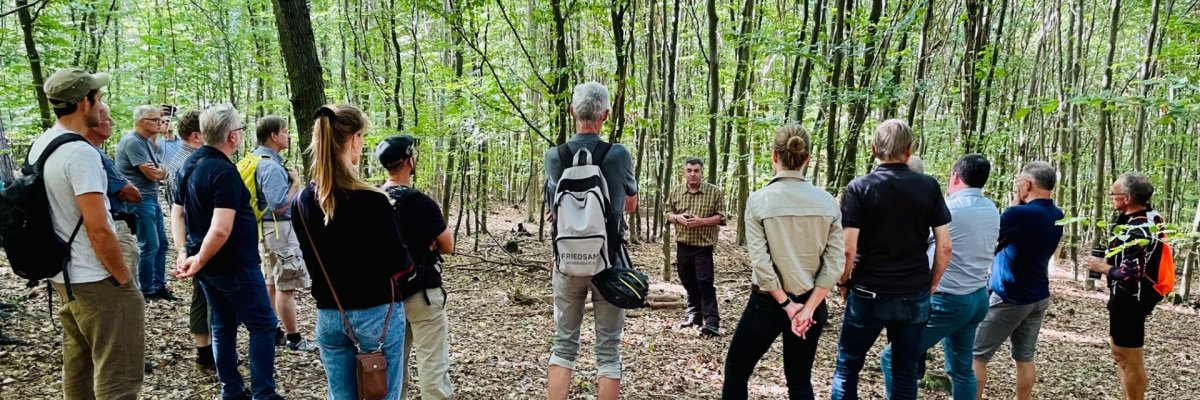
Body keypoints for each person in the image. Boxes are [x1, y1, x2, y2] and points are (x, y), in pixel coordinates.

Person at [31, 67, 144, 399]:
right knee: (118, 375)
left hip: (64, 276)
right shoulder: (80, 153)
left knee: (78, 366)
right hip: (96, 278)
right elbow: (98, 228)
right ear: (84, 102)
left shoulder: (44, 144)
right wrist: (122, 279)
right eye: (98, 97)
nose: (101, 102)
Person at [293, 105, 414, 399]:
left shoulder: (302, 201)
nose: (362, 142)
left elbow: (312, 259)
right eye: (362, 136)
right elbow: (400, 264)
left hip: (329, 315)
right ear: (353, 140)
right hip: (377, 314)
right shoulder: (373, 200)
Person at [831, 119, 952, 400]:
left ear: (873, 149)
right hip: (913, 293)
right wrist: (932, 284)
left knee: (848, 366)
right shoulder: (929, 187)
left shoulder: (859, 187)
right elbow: (945, 246)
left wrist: (844, 281)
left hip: (868, 293)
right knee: (905, 372)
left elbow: (848, 248)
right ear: (909, 150)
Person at [721, 124, 844, 400]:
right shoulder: (827, 202)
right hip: (811, 304)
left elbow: (761, 263)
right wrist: (807, 309)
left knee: (737, 372)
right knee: (799, 382)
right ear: (807, 158)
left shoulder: (758, 200)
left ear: (774, 156)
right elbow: (835, 263)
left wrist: (788, 306)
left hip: (767, 303)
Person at [172, 104, 283, 400]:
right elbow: (221, 228)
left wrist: (186, 252)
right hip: (233, 265)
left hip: (209, 265)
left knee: (222, 325)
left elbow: (177, 213)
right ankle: (263, 394)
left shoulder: (189, 164)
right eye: (241, 130)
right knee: (263, 324)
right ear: (232, 136)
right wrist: (194, 257)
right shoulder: (222, 171)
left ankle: (231, 390)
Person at [543, 82, 638, 400]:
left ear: (572, 112)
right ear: (605, 116)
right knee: (608, 351)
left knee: (563, 345)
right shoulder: (618, 154)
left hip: (567, 263)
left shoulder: (554, 156)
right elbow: (631, 204)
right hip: (609, 263)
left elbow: (553, 209)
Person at [880, 154, 998, 400]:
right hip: (977, 297)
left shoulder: (948, 209)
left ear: (955, 177)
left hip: (949, 299)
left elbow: (911, 242)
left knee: (893, 358)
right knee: (962, 370)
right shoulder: (991, 209)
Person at [972, 161, 1064, 400]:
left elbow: (991, 238)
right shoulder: (1057, 215)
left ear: (1027, 184)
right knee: (1024, 357)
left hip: (1010, 295)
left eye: (1019, 183)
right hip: (1038, 295)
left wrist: (1015, 202)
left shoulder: (1018, 214)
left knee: (976, 355)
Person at [378, 135, 456, 399]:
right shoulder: (421, 202)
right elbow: (448, 245)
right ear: (410, 161)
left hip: (386, 296)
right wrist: (428, 241)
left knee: (393, 365)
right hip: (422, 293)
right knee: (432, 364)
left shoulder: (372, 200)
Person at [1085, 172, 1164, 400]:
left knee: (1130, 358)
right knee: (1120, 354)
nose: (1111, 197)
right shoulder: (1149, 217)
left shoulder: (1137, 230)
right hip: (1128, 297)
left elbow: (1131, 275)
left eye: (1113, 193)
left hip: (1130, 300)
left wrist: (1103, 267)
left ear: (1127, 198)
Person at [249, 116, 317, 352]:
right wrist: (295, 185)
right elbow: (277, 205)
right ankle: (294, 338)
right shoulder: (270, 166)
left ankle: (272, 332)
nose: (288, 135)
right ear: (273, 136)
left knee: (272, 282)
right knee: (286, 286)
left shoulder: (258, 160)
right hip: (279, 231)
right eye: (285, 131)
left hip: (268, 231)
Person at [164, 110, 215, 371]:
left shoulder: (179, 160)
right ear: (196, 136)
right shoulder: (191, 163)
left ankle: (208, 351)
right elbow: (181, 211)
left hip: (193, 239)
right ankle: (207, 353)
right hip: (199, 239)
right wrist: (184, 247)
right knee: (204, 295)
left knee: (204, 295)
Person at [117, 104, 175, 301]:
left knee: (162, 244)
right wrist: (159, 171)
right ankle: (147, 289)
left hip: (151, 198)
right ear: (142, 122)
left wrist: (160, 170)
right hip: (139, 200)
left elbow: (160, 170)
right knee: (150, 245)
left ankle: (159, 286)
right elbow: (153, 174)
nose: (160, 123)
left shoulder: (146, 142)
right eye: (155, 120)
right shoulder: (132, 142)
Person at [665, 157, 727, 336]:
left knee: (705, 282)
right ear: (684, 172)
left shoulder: (714, 192)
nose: (693, 174)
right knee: (688, 281)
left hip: (703, 246)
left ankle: (712, 321)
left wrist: (701, 221)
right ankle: (694, 316)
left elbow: (722, 217)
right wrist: (677, 218)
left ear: (702, 172)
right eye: (689, 171)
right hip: (683, 245)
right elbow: (666, 213)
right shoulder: (676, 191)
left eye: (696, 171)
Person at [83, 103, 143, 291]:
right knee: (126, 288)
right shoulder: (91, 154)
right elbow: (132, 193)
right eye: (106, 118)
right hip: (113, 226)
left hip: (112, 225)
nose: (112, 123)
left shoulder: (95, 152)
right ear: (93, 122)